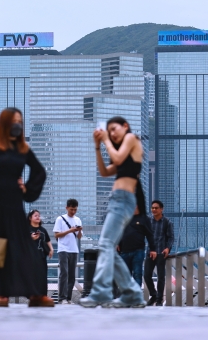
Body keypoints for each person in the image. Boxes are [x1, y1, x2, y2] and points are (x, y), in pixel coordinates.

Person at [0, 107, 53, 308]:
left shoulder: (22, 148)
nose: (17, 124)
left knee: (26, 251)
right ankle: (2, 294)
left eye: (20, 121)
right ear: (5, 123)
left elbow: (39, 171)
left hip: (14, 206)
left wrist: (27, 189)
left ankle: (35, 294)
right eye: (14, 121)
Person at [80, 117, 146, 308]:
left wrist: (105, 140)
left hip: (123, 199)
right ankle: (132, 294)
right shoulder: (124, 154)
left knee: (105, 244)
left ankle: (101, 292)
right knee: (108, 248)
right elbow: (104, 172)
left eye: (114, 129)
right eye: (109, 131)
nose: (112, 133)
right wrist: (97, 147)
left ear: (125, 126)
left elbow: (116, 158)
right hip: (117, 199)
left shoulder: (132, 138)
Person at [117, 205, 155, 299]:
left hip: (138, 251)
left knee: (137, 274)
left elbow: (150, 235)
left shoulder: (144, 218)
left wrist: (153, 249)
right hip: (124, 251)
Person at [144, 199, 174, 306]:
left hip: (161, 253)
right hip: (150, 252)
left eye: (156, 208)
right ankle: (154, 295)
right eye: (152, 208)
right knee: (146, 275)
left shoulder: (167, 222)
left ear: (161, 209)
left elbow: (171, 238)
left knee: (161, 277)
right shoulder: (148, 221)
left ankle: (159, 300)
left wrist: (167, 248)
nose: (154, 210)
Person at [53, 199, 83, 304]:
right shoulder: (60, 219)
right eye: (71, 209)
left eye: (75, 209)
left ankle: (68, 298)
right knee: (64, 273)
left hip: (74, 249)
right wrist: (70, 230)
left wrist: (79, 230)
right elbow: (56, 235)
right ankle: (62, 298)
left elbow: (79, 237)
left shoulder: (78, 220)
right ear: (67, 208)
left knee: (71, 275)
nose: (73, 212)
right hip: (63, 249)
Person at [28, 210, 53, 298]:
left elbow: (48, 240)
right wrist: (31, 238)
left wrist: (51, 249)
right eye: (35, 216)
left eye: (39, 215)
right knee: (32, 277)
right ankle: (33, 296)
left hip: (41, 257)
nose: (38, 217)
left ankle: (43, 296)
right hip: (30, 257)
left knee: (42, 277)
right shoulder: (26, 229)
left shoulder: (43, 230)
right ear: (30, 218)